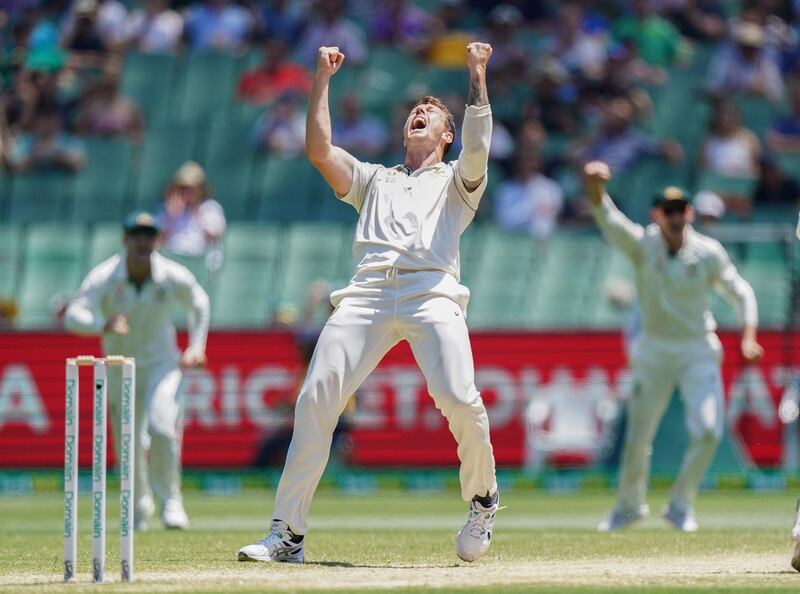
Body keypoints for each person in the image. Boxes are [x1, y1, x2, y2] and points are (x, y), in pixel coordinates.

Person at [238, 42, 499, 564]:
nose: (419, 114)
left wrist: (476, 73)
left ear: (446, 135)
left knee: (458, 396)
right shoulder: (375, 179)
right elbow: (318, 151)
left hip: (432, 293)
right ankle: (287, 534)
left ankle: (483, 500)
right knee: (314, 399)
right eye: (414, 112)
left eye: (431, 114)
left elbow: (477, 147)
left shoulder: (457, 183)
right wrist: (321, 79)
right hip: (366, 293)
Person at [584, 161, 763, 532]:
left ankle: (680, 505)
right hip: (653, 350)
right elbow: (609, 221)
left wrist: (748, 336)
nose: (676, 217)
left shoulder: (708, 252)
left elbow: (741, 290)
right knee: (638, 435)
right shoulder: (643, 244)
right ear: (657, 215)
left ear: (690, 213)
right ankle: (629, 506)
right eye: (668, 211)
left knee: (710, 430)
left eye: (681, 210)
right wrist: (595, 188)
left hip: (698, 349)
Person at [64, 211, 210, 530]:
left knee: (162, 428)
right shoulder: (105, 276)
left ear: (157, 240)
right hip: (119, 366)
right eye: (136, 235)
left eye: (149, 235)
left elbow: (199, 302)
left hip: (162, 363)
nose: (143, 241)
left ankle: (171, 501)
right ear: (125, 240)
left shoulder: (171, 274)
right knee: (128, 440)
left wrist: (196, 346)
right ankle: (138, 505)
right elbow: (74, 315)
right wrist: (102, 324)